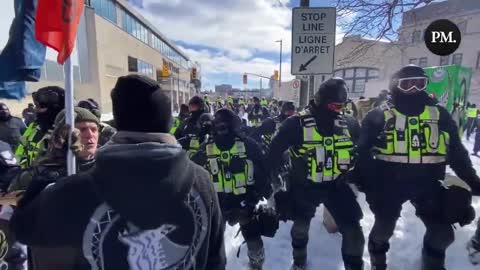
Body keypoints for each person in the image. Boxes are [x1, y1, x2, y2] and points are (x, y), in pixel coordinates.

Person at [10, 74, 226, 270]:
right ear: (167, 121)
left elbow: (24, 225)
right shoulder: (203, 181)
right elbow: (216, 261)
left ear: (118, 121)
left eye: (93, 129)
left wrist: (50, 169)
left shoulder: (78, 191)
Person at [354, 65, 479, 270]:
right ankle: (378, 263)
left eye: (420, 83)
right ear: (396, 86)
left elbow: (457, 151)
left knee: (442, 234)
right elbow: (362, 151)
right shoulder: (380, 115)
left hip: (428, 182)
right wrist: (364, 179)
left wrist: (471, 180)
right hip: (389, 182)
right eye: (407, 84)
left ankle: (431, 265)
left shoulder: (439, 115)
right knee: (383, 228)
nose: (414, 89)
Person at [268, 78, 364, 270]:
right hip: (304, 186)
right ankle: (299, 261)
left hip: (336, 185)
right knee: (300, 229)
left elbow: (361, 150)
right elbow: (273, 152)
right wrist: (275, 184)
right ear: (321, 100)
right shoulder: (296, 123)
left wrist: (361, 174)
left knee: (354, 231)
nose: (338, 110)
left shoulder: (349, 123)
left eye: (342, 106)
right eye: (334, 105)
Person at [9, 107, 99, 270]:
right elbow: (12, 198)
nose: (89, 135)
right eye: (82, 129)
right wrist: (55, 165)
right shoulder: (43, 170)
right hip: (54, 255)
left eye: (94, 129)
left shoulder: (105, 167)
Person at [191, 108, 269, 270]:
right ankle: (255, 264)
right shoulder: (208, 148)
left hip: (240, 202)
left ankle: (255, 263)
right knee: (211, 244)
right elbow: (191, 173)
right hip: (221, 204)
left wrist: (253, 197)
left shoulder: (246, 145)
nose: (222, 130)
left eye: (224, 126)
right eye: (219, 126)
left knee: (250, 238)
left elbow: (263, 172)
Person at [15, 86, 65, 168]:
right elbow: (21, 153)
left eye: (39, 106)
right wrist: (23, 170)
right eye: (36, 106)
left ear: (54, 107)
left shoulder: (68, 130)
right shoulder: (34, 126)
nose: (36, 110)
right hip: (30, 175)